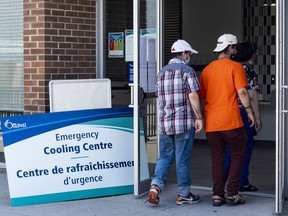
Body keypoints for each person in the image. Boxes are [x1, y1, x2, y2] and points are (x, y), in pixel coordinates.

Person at [198, 34, 255, 206]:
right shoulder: (235, 67)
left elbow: (201, 97)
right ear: (230, 48)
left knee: (217, 158)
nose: (235, 50)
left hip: (212, 124)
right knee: (238, 155)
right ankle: (231, 193)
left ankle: (217, 195)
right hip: (231, 121)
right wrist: (249, 111)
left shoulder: (207, 70)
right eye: (234, 47)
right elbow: (243, 92)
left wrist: (200, 117)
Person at [147, 39, 203, 205]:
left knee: (164, 157)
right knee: (182, 159)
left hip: (165, 123)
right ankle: (184, 194)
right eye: (189, 53)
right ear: (184, 53)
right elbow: (193, 95)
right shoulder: (187, 70)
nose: (190, 56)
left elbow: (159, 97)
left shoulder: (161, 72)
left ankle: (155, 186)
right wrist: (198, 117)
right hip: (183, 124)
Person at [224, 42, 262, 192]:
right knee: (245, 148)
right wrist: (257, 117)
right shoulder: (248, 71)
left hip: (227, 112)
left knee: (228, 149)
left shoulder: (228, 68)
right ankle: (241, 181)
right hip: (244, 113)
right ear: (250, 55)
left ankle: (221, 185)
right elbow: (251, 95)